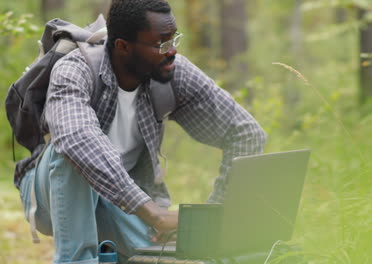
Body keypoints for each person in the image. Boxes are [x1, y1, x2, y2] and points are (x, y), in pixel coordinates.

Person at [17, 0, 267, 263]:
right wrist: (154, 214)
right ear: (123, 46)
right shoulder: (75, 69)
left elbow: (246, 133)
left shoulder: (173, 71)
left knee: (178, 255)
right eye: (162, 43)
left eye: (174, 39)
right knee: (74, 150)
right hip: (53, 197)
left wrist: (210, 221)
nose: (172, 51)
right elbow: (76, 140)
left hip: (124, 199)